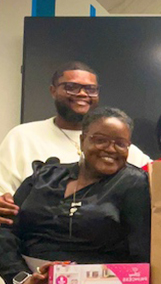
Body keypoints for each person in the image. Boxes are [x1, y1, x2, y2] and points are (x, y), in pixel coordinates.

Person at [0, 107, 151, 284]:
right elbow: (5, 229)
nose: (110, 150)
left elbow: (141, 252)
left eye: (121, 143)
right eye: (100, 140)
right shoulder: (44, 175)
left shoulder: (134, 185)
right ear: (82, 140)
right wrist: (22, 279)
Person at [0, 61, 150, 224]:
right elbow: (4, 194)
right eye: (71, 87)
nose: (82, 94)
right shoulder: (23, 136)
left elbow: (158, 182)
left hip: (100, 240)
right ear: (53, 90)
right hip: (34, 235)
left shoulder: (118, 147)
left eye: (90, 89)